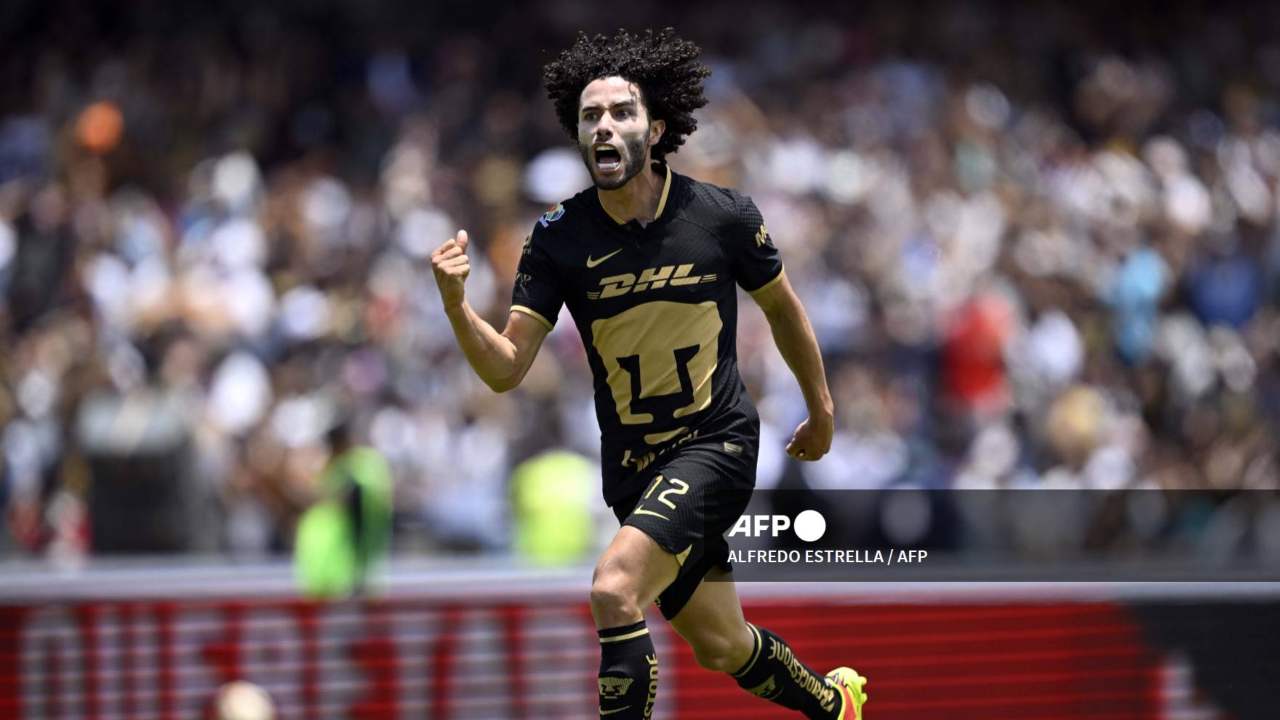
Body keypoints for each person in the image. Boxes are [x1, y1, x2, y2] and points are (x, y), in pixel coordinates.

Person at [430, 28, 868, 719]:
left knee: (613, 589)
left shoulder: (721, 218)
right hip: (636, 470)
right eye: (590, 116)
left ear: (656, 128)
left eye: (621, 112)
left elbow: (784, 311)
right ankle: (834, 704)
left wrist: (821, 409)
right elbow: (507, 369)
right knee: (723, 646)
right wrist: (458, 308)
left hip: (716, 447)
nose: (603, 125)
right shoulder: (559, 238)